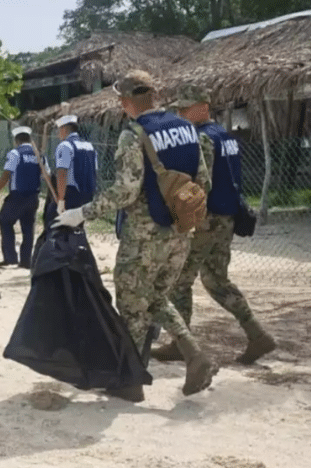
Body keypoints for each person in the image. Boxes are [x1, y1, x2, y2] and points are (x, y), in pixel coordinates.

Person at [54, 70, 218, 401]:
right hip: (180, 228)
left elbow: (127, 191)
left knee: (132, 302)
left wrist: (81, 213)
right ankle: (166, 364)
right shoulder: (187, 130)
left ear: (126, 102)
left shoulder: (134, 134)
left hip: (145, 234)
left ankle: (137, 377)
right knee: (152, 297)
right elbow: (204, 181)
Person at [151, 84, 276, 364]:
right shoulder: (225, 136)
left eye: (186, 108)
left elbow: (200, 184)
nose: (182, 113)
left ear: (203, 106)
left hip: (206, 221)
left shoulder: (203, 139)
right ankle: (257, 334)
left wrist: (181, 216)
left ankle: (179, 345)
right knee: (216, 280)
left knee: (179, 281)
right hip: (227, 218)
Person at [0, 126, 48, 269]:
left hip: (17, 196)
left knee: (4, 220)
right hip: (34, 196)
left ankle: (10, 258)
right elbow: (46, 175)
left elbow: (7, 173)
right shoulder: (39, 155)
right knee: (28, 228)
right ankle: (26, 261)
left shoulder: (15, 153)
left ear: (16, 140)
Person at [53, 114, 98, 215]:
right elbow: (95, 171)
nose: (57, 134)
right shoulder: (89, 146)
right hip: (88, 192)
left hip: (71, 193)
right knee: (78, 224)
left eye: (58, 129)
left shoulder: (65, 146)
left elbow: (62, 173)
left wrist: (61, 200)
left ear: (64, 129)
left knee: (56, 222)